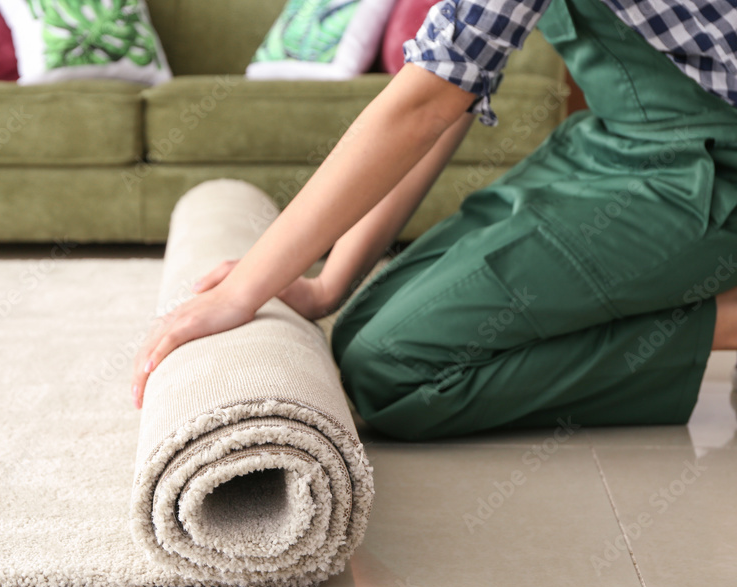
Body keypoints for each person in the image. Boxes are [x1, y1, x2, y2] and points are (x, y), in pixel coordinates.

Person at [131, 0, 737, 440]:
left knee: (394, 371)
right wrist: (328, 286)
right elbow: (451, 92)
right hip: (611, 145)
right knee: (363, 328)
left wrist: (243, 291)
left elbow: (426, 103)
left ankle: (725, 322)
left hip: (708, 172)